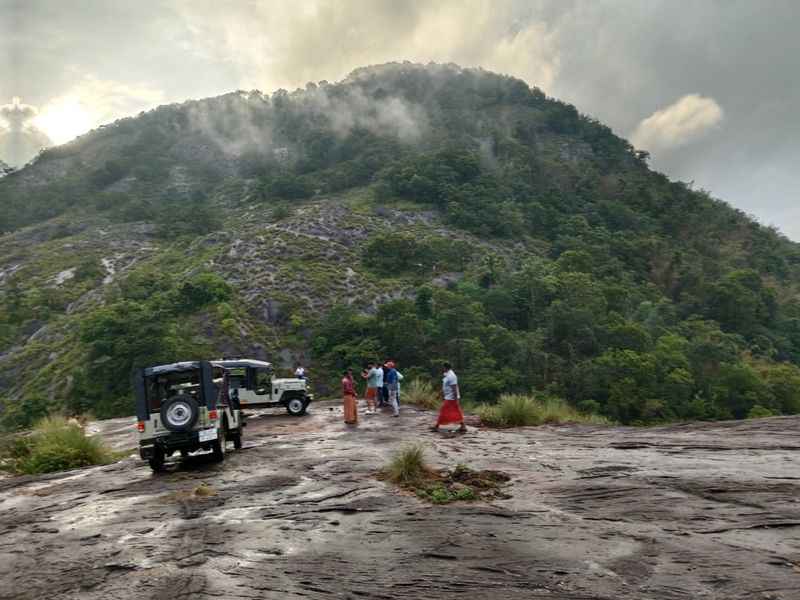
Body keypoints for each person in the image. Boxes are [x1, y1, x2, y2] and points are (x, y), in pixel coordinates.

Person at [431, 362, 466, 433]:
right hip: (449, 397)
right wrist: (440, 394)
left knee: (443, 411)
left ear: (445, 367)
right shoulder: (447, 374)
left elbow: (454, 388)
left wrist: (456, 399)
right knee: (456, 411)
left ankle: (436, 426)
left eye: (443, 367)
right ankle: (463, 426)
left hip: (451, 398)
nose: (442, 369)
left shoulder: (452, 376)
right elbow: (446, 386)